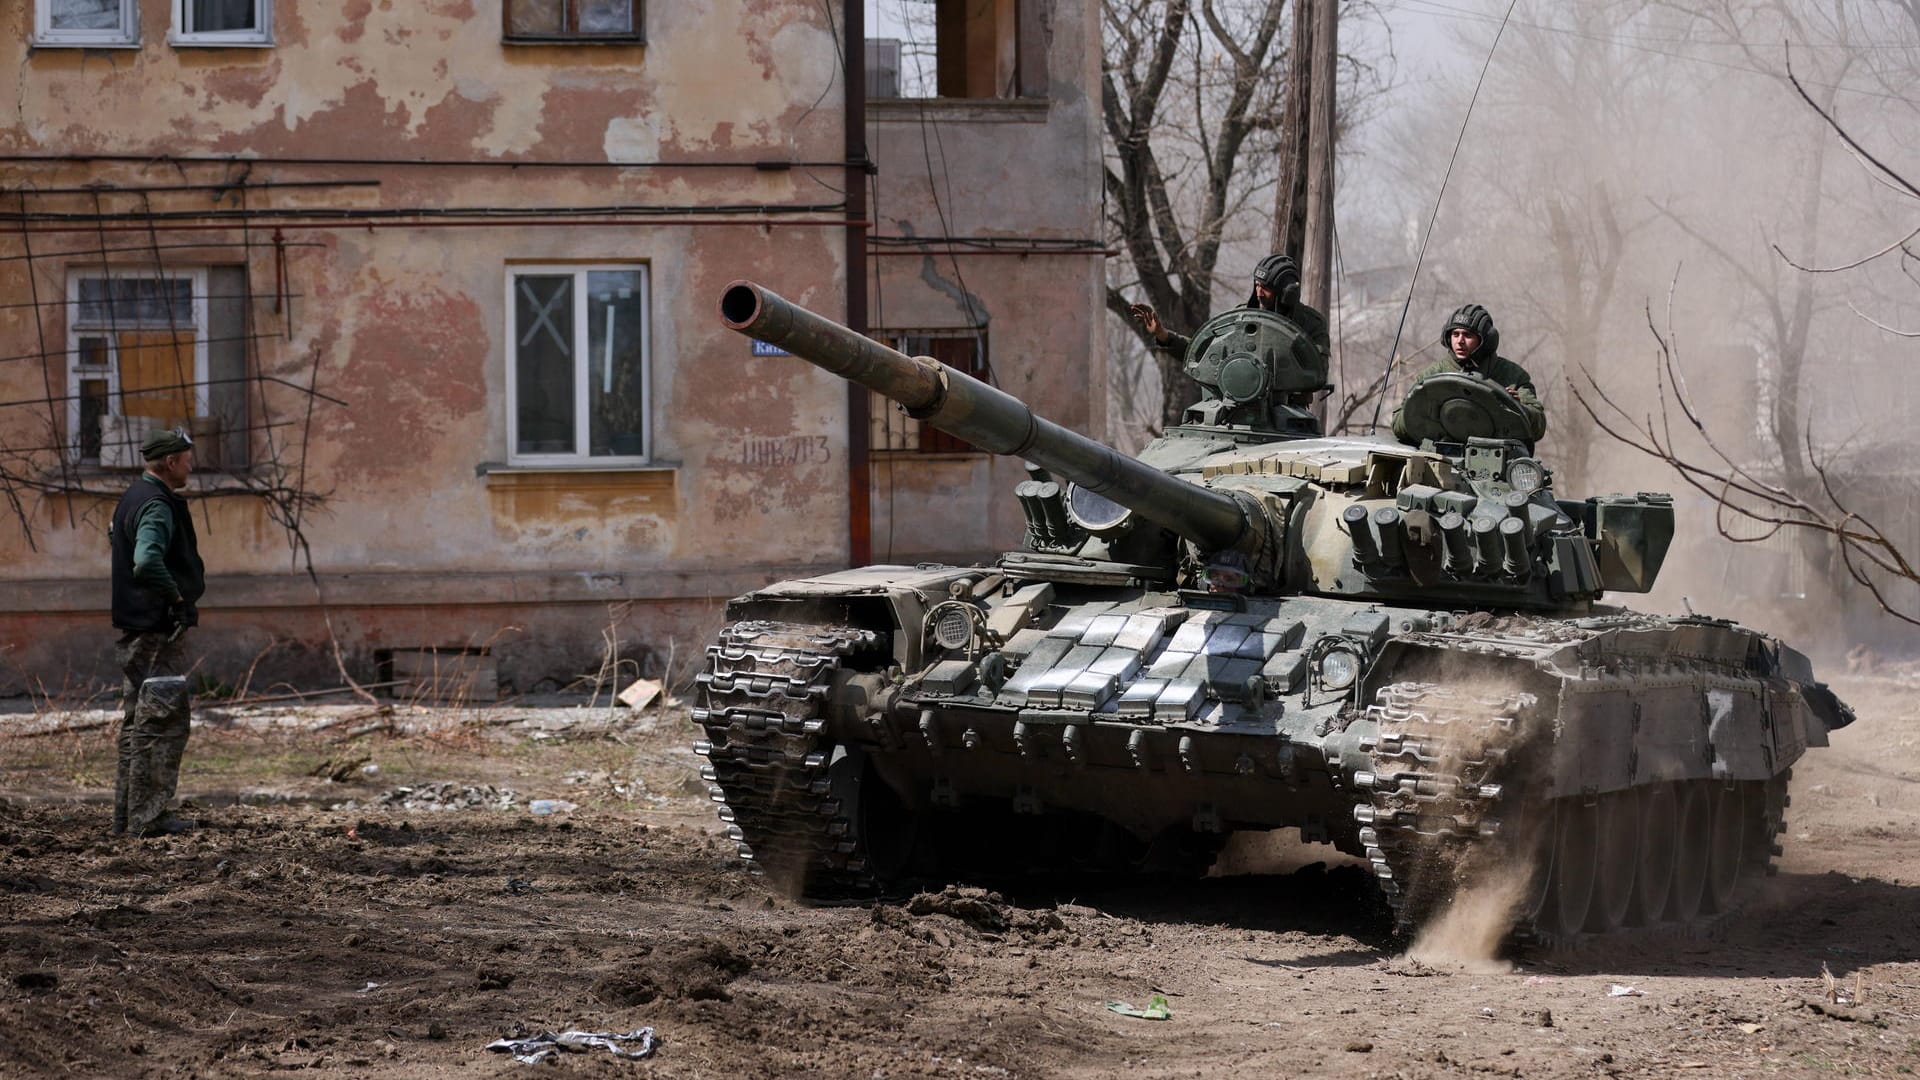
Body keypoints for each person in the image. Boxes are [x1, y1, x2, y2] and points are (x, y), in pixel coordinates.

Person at [109, 428, 205, 838]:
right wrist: (178, 599)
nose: (189, 465)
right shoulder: (156, 504)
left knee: (136, 721)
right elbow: (146, 560)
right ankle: (148, 817)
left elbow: (118, 540)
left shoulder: (132, 496)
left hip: (136, 625)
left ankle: (127, 816)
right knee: (161, 720)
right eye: (185, 459)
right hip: (155, 628)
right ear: (169, 462)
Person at [1129, 253, 1331, 363]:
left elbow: (1316, 372)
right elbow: (1206, 352)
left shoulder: (1311, 325)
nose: (1259, 293)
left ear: (1286, 292)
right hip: (1235, 410)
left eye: (1266, 288)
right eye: (1257, 285)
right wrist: (1163, 335)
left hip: (1287, 418)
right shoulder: (1242, 318)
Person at [1391, 303, 1547, 443]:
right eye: (1455, 334)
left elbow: (1538, 427)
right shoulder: (1431, 376)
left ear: (1485, 340)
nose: (1460, 341)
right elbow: (1397, 423)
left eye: (1468, 335)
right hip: (1439, 457)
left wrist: (1517, 408)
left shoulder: (1513, 376)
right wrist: (1420, 407)